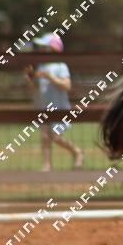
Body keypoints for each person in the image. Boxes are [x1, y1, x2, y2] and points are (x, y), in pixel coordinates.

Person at [25, 32, 84, 171]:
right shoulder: (40, 66)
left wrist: (50, 77)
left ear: (53, 49)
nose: (41, 50)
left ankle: (76, 152)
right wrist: (30, 79)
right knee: (45, 136)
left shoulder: (60, 66)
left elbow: (67, 85)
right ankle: (47, 165)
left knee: (56, 137)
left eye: (44, 47)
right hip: (43, 106)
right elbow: (35, 87)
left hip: (58, 107)